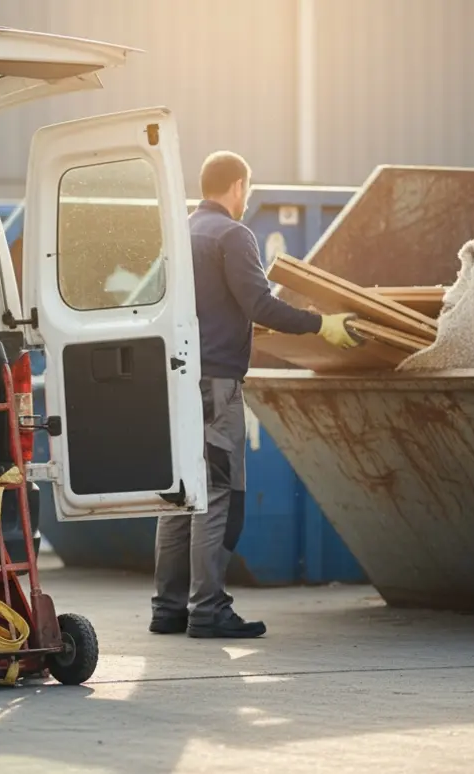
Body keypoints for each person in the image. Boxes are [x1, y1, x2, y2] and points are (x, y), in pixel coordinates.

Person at [151, 150, 360, 639]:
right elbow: (260, 304)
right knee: (218, 494)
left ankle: (169, 608)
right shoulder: (233, 235)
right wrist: (321, 325)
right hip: (216, 385)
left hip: (175, 382)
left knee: (178, 495)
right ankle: (208, 610)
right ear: (238, 186)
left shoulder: (178, 233)